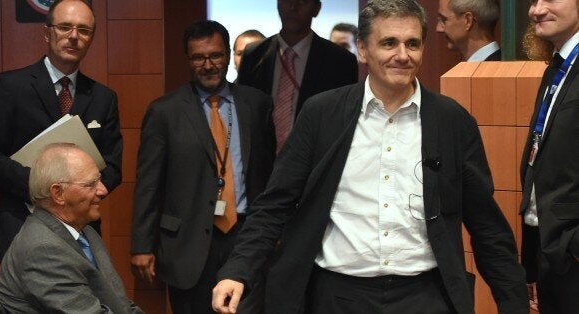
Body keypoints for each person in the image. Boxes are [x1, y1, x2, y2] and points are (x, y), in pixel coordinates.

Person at [212, 1, 529, 313]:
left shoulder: (452, 121)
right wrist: (238, 270)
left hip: (426, 296)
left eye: (413, 44)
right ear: (362, 50)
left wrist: (512, 300)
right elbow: (275, 204)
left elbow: (486, 224)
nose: (402, 55)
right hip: (338, 295)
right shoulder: (322, 114)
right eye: (389, 43)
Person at [130, 20, 275, 314]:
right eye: (198, 57)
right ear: (188, 59)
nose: (208, 65)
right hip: (188, 243)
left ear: (227, 55)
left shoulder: (257, 104)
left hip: (246, 237)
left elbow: (270, 173)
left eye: (216, 55)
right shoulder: (165, 112)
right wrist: (141, 245)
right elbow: (148, 183)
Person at [0, 0, 123, 263]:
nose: (74, 36)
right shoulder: (9, 86)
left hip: (82, 232)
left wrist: (80, 191)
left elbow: (112, 166)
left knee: (82, 303)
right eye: (64, 27)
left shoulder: (103, 98)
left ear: (91, 38)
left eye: (83, 30)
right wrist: (42, 187)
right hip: (20, 226)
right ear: (47, 32)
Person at [0, 143, 141, 313]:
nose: (102, 190)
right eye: (90, 184)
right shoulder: (43, 249)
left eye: (99, 180)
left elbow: (119, 302)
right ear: (58, 194)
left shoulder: (86, 232)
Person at [519, 0, 579, 313]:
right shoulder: (557, 67)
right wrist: (531, 260)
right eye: (532, 0)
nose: (536, 10)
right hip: (548, 252)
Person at [237, 0, 358, 151]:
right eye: (287, 0)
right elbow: (242, 113)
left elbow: (343, 124)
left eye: (302, 1)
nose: (293, 7)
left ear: (316, 8)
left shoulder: (340, 61)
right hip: (260, 160)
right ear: (278, 4)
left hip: (313, 160)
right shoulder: (254, 54)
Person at [436, 0, 501, 61]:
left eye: (444, 19)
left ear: (468, 20)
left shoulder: (496, 71)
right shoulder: (504, 65)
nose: (438, 29)